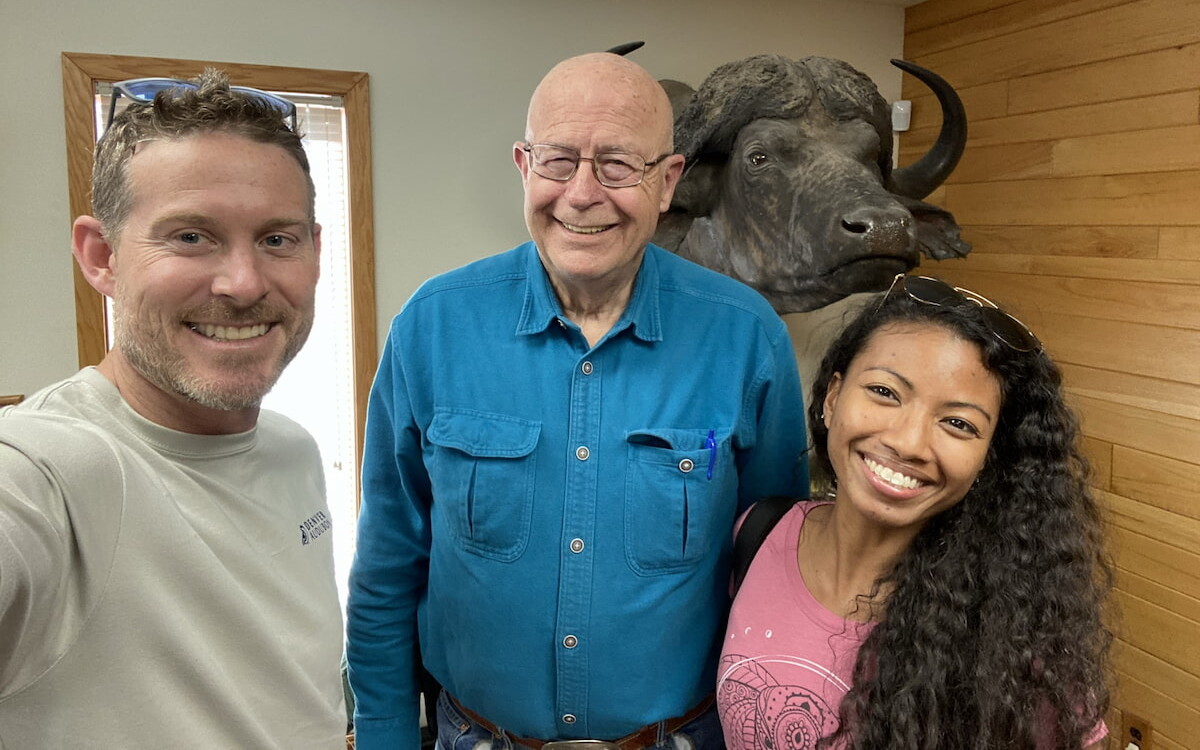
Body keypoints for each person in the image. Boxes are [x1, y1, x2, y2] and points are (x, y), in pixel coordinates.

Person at [346, 52, 809, 749]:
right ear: (524, 167)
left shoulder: (747, 338)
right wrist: (384, 735)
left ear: (667, 182)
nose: (583, 193)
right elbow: (387, 562)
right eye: (558, 161)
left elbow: (777, 568)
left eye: (618, 164)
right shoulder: (431, 327)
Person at [0, 70, 347, 747]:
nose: (243, 284)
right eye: (191, 237)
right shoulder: (53, 469)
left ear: (315, 251)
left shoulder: (292, 450)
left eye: (278, 239)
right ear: (102, 256)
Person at [717, 274, 1113, 750]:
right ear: (832, 398)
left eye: (958, 423)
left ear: (988, 458)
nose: (907, 441)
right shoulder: (759, 533)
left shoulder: (1012, 633)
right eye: (885, 392)